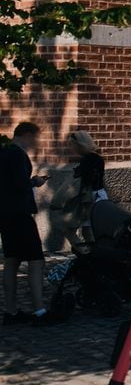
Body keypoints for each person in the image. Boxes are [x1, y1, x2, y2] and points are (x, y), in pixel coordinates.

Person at [1, 121, 52, 325]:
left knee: (11, 261)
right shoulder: (17, 154)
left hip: (4, 214)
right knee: (36, 261)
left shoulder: (3, 152)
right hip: (20, 214)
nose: (36, 142)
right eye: (35, 137)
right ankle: (39, 310)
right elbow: (20, 184)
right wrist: (36, 181)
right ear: (28, 134)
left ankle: (11, 311)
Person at [55, 130, 106, 251]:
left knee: (70, 229)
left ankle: (85, 253)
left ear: (80, 144)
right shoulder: (96, 158)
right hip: (96, 195)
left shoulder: (88, 160)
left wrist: (77, 173)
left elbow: (85, 180)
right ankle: (94, 254)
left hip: (89, 198)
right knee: (87, 230)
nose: (71, 148)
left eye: (72, 145)